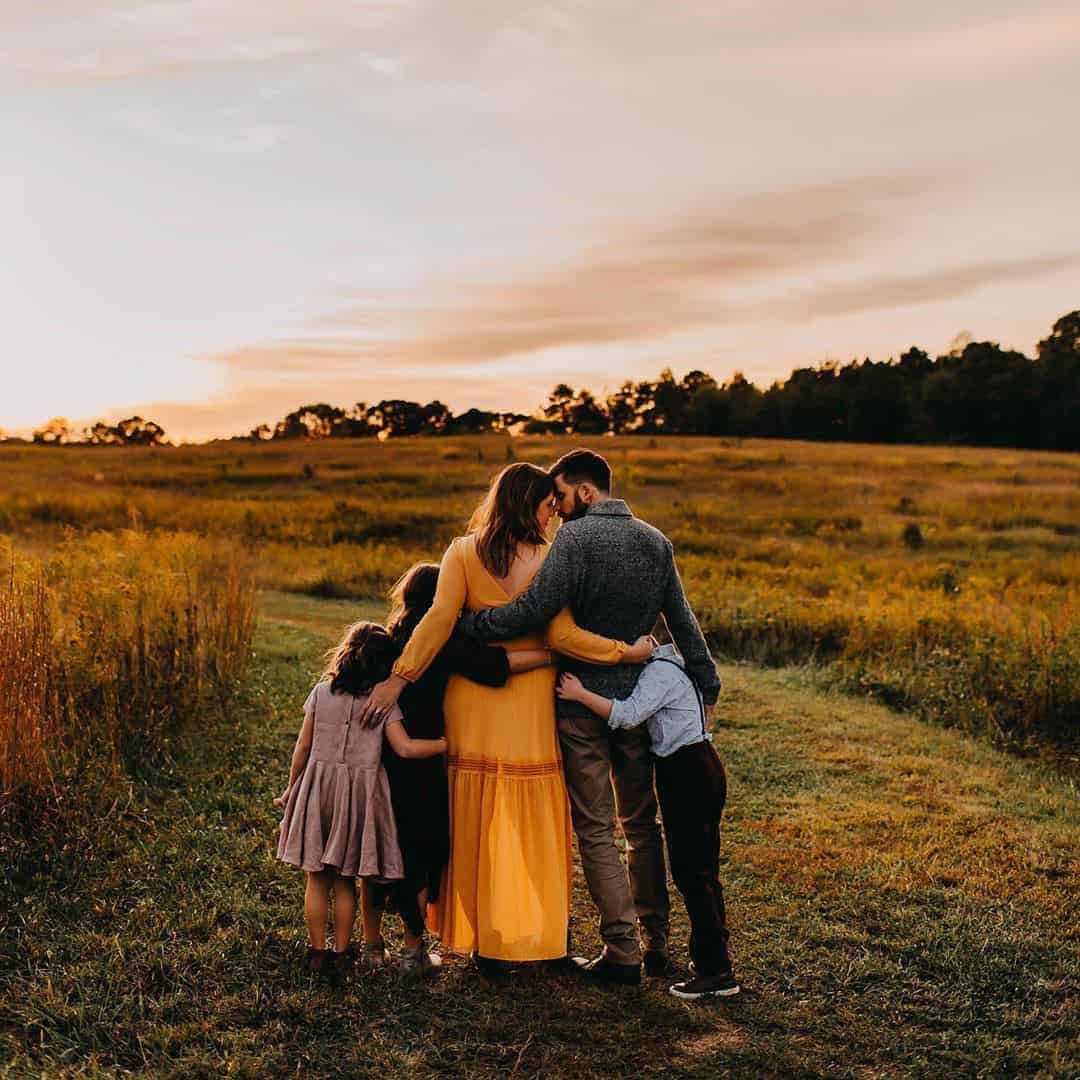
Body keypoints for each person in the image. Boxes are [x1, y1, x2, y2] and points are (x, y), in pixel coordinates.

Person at [360, 463, 654, 970]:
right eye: (546, 507)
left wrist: (399, 677)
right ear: (528, 505)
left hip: (471, 705)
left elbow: (438, 621)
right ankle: (544, 940)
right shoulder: (549, 558)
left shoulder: (461, 552)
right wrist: (624, 652)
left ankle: (486, 941)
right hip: (532, 706)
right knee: (535, 825)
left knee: (478, 825)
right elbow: (561, 637)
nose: (552, 517)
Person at [459, 448, 721, 986]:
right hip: (635, 708)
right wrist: (706, 680)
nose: (554, 506)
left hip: (580, 703)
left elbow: (534, 611)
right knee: (641, 827)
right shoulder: (656, 542)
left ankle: (621, 950)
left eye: (558, 494)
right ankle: (656, 945)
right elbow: (682, 621)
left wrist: (478, 625)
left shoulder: (575, 540)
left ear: (584, 491)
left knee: (597, 830)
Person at [363, 562, 565, 979]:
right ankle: (413, 951)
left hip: (375, 760)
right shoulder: (441, 641)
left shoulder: (386, 641)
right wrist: (549, 655)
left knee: (380, 848)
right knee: (419, 852)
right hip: (420, 761)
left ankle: (370, 944)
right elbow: (496, 666)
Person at [556, 641, 738, 1000]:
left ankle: (715, 972)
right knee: (702, 871)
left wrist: (579, 692)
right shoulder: (679, 665)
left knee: (692, 874)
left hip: (686, 772)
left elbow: (626, 714)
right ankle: (713, 960)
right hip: (699, 764)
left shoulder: (658, 673)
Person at [275, 620, 446, 979]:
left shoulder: (322, 693)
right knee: (343, 881)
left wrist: (293, 789)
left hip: (318, 789)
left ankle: (317, 953)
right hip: (357, 799)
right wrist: (448, 745)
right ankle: (341, 954)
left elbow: (302, 747)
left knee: (316, 879)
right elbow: (405, 747)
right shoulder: (383, 703)